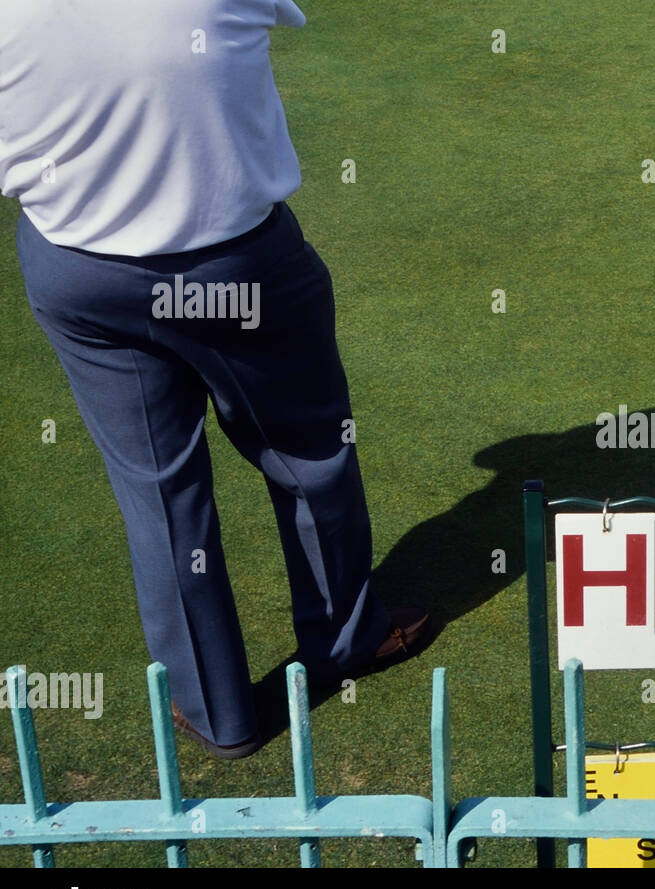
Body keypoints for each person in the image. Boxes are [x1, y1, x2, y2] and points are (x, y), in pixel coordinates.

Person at [0, 0, 433, 758]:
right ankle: (344, 639)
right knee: (309, 455)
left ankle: (215, 714)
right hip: (236, 266)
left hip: (77, 270)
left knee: (158, 493)